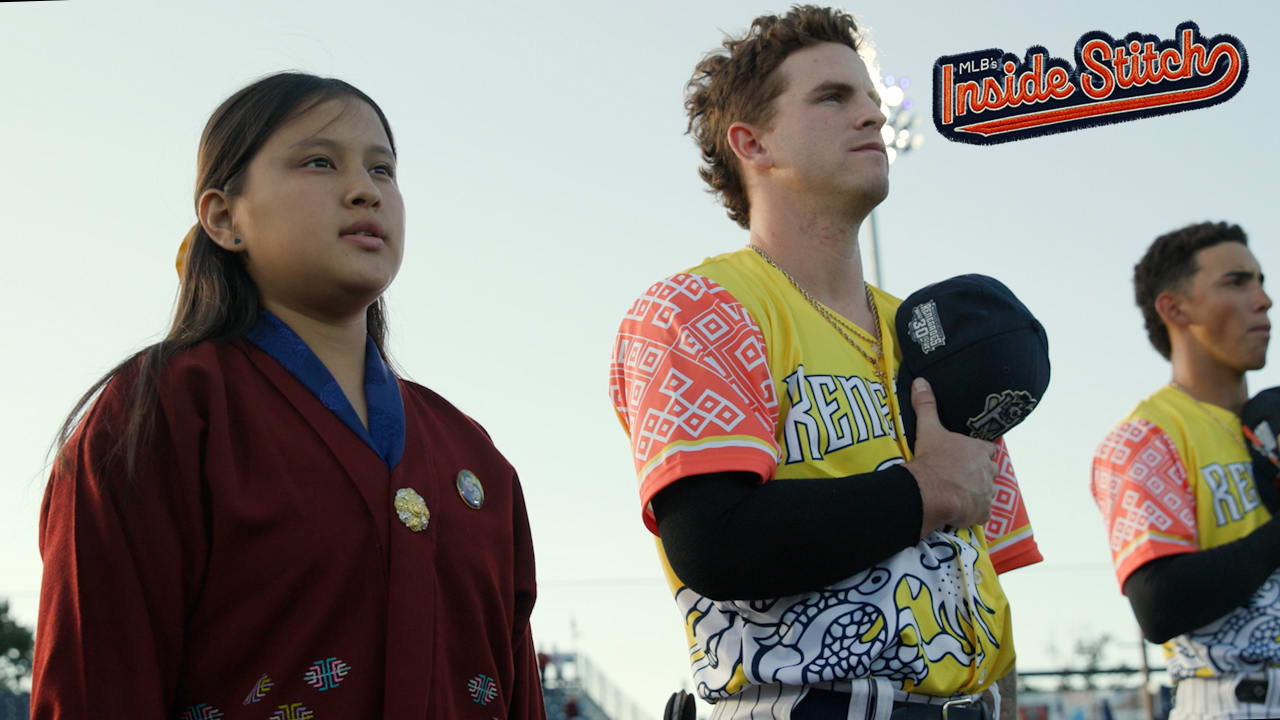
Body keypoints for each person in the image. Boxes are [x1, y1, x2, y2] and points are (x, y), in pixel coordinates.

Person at [32, 73, 543, 719]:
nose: (365, 190)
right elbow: (93, 687)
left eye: (383, 169)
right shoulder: (162, 411)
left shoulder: (472, 454)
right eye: (320, 162)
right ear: (223, 217)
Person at [607, 7, 1040, 719]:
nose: (869, 114)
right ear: (752, 143)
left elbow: (985, 580)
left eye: (871, 97)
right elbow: (714, 542)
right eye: (833, 97)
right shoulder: (699, 307)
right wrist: (923, 491)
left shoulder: (935, 330)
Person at [1091, 221, 1275, 719]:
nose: (1264, 300)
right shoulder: (1147, 436)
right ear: (1174, 308)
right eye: (1237, 282)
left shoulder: (1272, 424)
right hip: (1233, 701)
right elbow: (1161, 605)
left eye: (1260, 280)